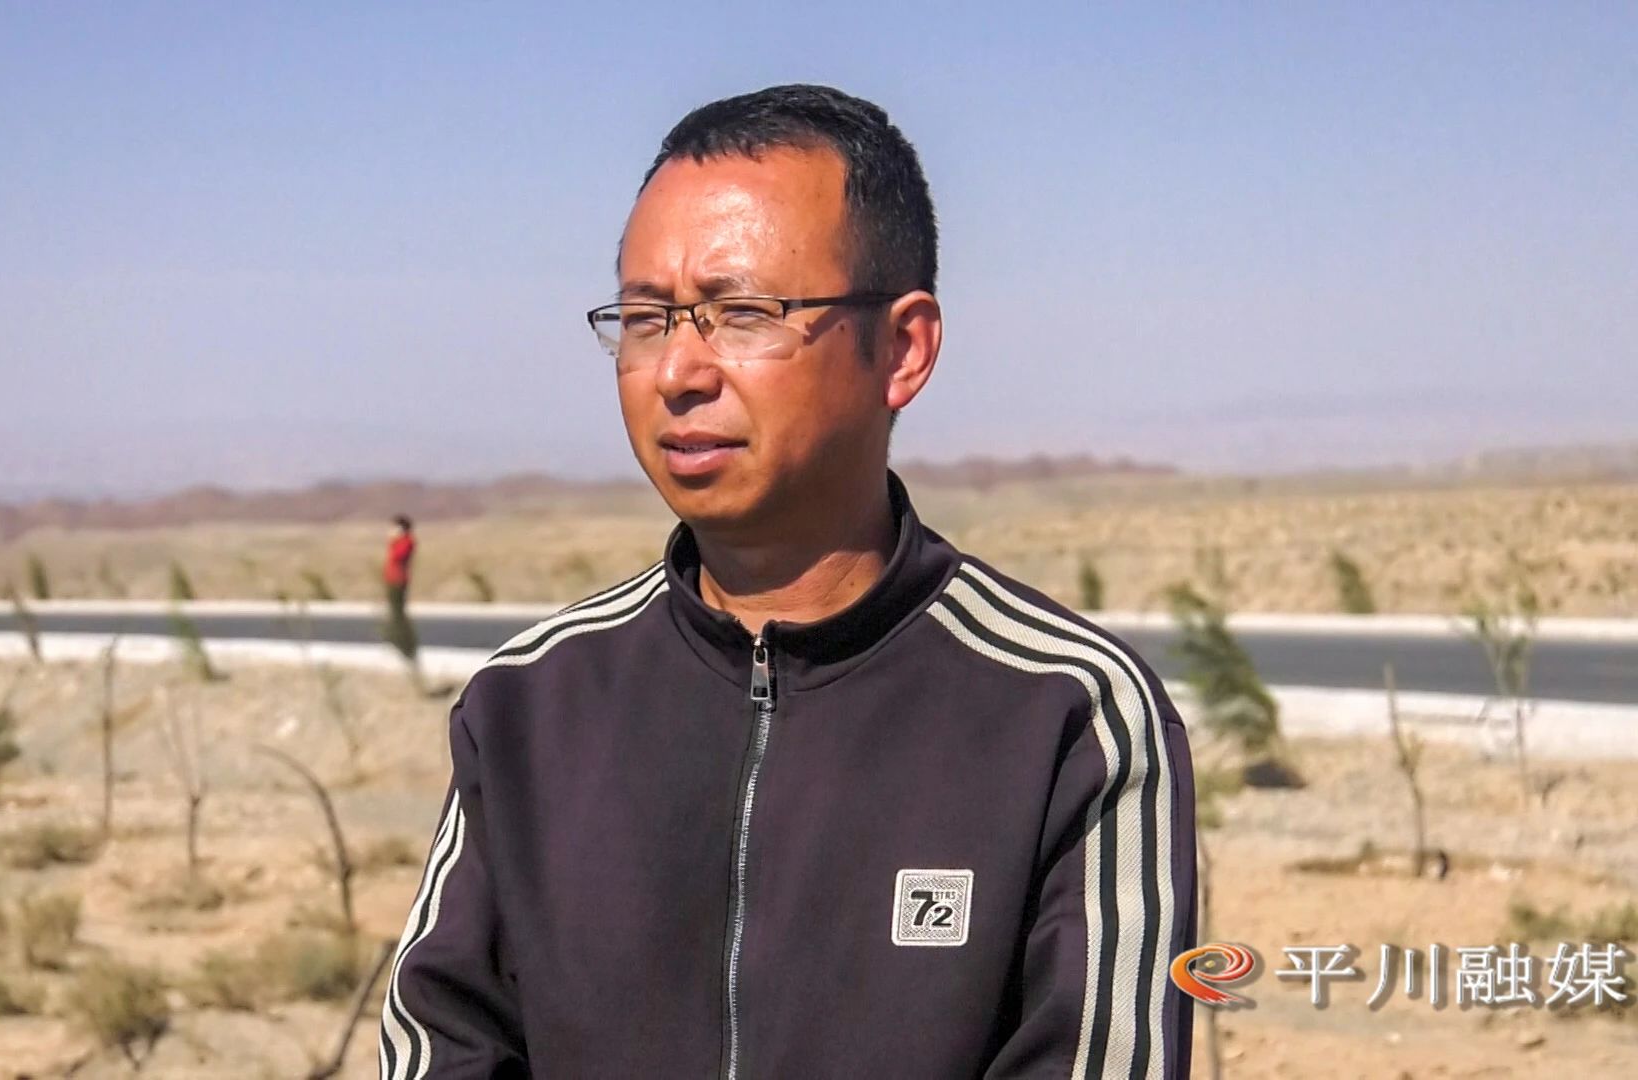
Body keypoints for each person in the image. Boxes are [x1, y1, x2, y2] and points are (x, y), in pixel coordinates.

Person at [382, 84, 1196, 1078]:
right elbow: (441, 1046)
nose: (678, 371)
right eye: (646, 317)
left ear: (902, 348)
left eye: (741, 313)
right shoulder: (530, 705)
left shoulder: (1067, 714)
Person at [382, 514, 423, 685]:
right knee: (393, 609)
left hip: (399, 580)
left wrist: (394, 540)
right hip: (392, 579)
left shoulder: (407, 541)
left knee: (398, 610)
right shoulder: (401, 541)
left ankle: (402, 639)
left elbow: (397, 557)